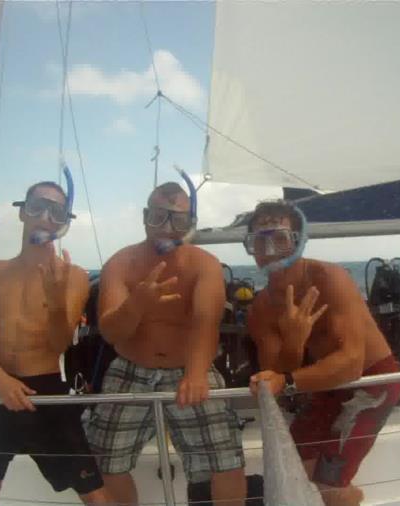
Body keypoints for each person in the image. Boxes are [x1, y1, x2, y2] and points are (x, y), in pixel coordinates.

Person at [87, 182, 246, 506]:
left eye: (179, 220)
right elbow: (112, 333)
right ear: (145, 217)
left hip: (191, 366)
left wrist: (197, 373)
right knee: (105, 461)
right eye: (159, 217)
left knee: (226, 461)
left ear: (191, 225)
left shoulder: (205, 264)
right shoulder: (120, 263)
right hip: (130, 367)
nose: (167, 228)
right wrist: (138, 303)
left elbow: (206, 323)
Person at [245, 200, 400, 506]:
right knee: (294, 471)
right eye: (259, 240)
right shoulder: (261, 308)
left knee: (327, 486)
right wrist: (294, 342)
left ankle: (349, 498)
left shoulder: (328, 278)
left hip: (371, 382)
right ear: (250, 246)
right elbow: (276, 374)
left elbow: (352, 363)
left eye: (280, 238)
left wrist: (287, 379)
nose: (270, 248)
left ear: (298, 240)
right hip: (321, 385)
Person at [0, 181, 110, 506]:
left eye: (56, 211)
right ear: (22, 211)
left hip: (44, 391)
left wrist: (56, 301)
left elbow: (58, 345)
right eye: (37, 206)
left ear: (64, 223)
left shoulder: (74, 276)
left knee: (92, 489)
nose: (45, 216)